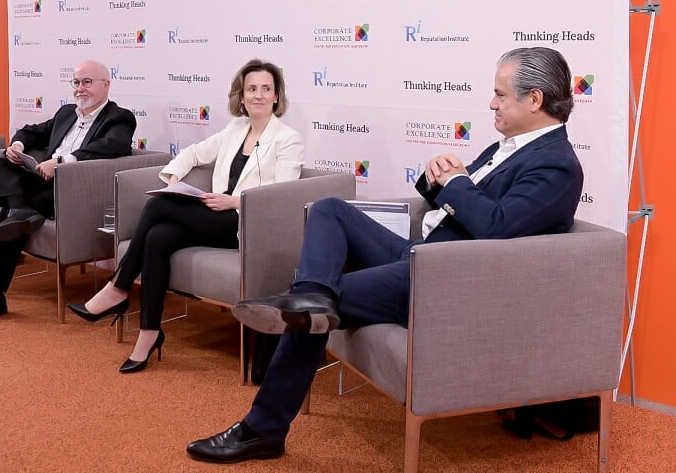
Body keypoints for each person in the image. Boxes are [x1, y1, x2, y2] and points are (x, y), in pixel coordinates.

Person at [186, 46, 584, 463]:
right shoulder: (512, 146)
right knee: (329, 209)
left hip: (445, 279)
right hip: (423, 254)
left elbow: (497, 226)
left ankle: (262, 428)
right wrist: (437, 183)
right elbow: (465, 205)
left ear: (534, 99)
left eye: (500, 95)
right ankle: (309, 295)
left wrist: (457, 183)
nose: (492, 103)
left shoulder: (556, 165)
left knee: (326, 302)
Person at [67, 59, 305, 373]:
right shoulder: (236, 129)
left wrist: (233, 202)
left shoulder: (288, 139)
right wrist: (173, 179)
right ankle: (149, 333)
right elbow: (193, 153)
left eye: (265, 89)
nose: (258, 95)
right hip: (215, 216)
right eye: (251, 89)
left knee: (157, 207)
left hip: (248, 224)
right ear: (242, 95)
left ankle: (119, 286)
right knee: (158, 236)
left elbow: (280, 195)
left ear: (276, 96)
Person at [0, 60, 136, 325]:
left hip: (71, 191)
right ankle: (19, 210)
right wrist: (18, 145)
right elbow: (32, 131)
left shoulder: (119, 117)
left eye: (87, 82)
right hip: (40, 182)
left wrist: (59, 162)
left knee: (11, 217)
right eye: (76, 83)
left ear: (106, 85)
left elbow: (111, 146)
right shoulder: (67, 113)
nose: (80, 89)